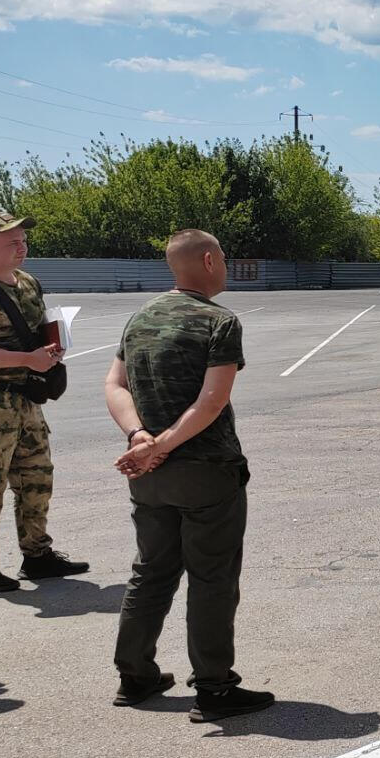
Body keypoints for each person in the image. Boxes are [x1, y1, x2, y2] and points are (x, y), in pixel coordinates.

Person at [104, 229, 274, 721]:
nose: (224, 263)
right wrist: (163, 443)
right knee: (212, 578)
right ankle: (214, 688)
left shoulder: (140, 318)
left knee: (151, 571)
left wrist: (140, 439)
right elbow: (213, 399)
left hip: (148, 473)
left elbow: (114, 384)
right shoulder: (219, 321)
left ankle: (135, 675)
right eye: (222, 255)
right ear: (207, 259)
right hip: (205, 471)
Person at [0, 211, 88, 593]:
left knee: (37, 477)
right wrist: (28, 360)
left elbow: (36, 330)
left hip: (24, 397)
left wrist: (51, 346)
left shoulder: (26, 283)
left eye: (23, 240)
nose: (21, 247)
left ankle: (36, 556)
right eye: (11, 242)